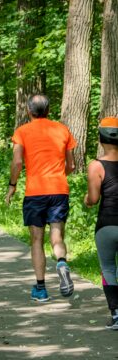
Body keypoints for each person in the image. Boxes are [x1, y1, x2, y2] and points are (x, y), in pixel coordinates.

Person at [6, 94, 76, 302]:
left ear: (29, 111)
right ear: (48, 110)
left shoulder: (22, 132)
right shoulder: (62, 129)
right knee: (57, 237)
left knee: (37, 240)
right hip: (58, 191)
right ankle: (62, 262)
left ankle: (41, 289)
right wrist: (59, 177)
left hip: (35, 192)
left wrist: (12, 185)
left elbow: (17, 162)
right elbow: (71, 165)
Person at [84, 117, 118, 330]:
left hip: (106, 224)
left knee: (108, 268)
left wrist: (85, 200)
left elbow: (93, 199)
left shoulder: (96, 165)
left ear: (101, 138)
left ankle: (115, 314)